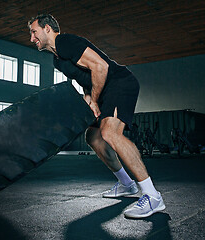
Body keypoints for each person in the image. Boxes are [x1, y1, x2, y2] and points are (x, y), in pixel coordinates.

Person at [27, 14, 165, 218]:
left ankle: (153, 197)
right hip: (104, 90)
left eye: (33, 32)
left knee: (110, 133)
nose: (31, 39)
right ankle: (127, 184)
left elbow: (101, 67)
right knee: (93, 138)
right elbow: (86, 78)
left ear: (47, 28)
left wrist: (94, 99)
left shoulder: (65, 41)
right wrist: (88, 98)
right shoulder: (57, 60)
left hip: (119, 83)